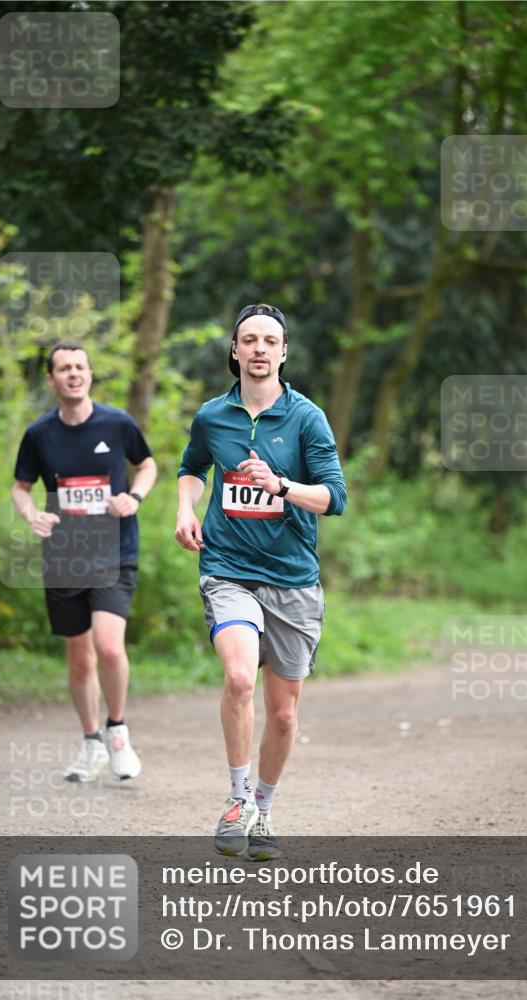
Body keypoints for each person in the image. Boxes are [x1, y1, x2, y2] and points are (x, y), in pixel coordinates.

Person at [175, 303, 347, 860]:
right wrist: (184, 509)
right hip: (228, 569)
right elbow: (192, 467)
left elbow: (333, 498)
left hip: (293, 578)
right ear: (234, 349)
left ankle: (264, 811)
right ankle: (236, 799)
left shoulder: (307, 418)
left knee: (283, 713)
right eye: (248, 339)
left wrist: (279, 485)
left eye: (269, 340)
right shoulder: (212, 416)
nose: (258, 349)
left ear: (283, 352)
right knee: (239, 678)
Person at [12, 341, 157, 783]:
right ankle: (91, 741)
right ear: (51, 379)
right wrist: (32, 513)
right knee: (79, 658)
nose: (74, 373)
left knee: (109, 646)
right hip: (63, 557)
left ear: (90, 374)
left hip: (114, 551)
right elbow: (20, 487)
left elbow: (147, 465)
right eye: (64, 368)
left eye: (80, 366)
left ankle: (118, 731)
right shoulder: (39, 434)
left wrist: (133, 498)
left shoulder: (117, 423)